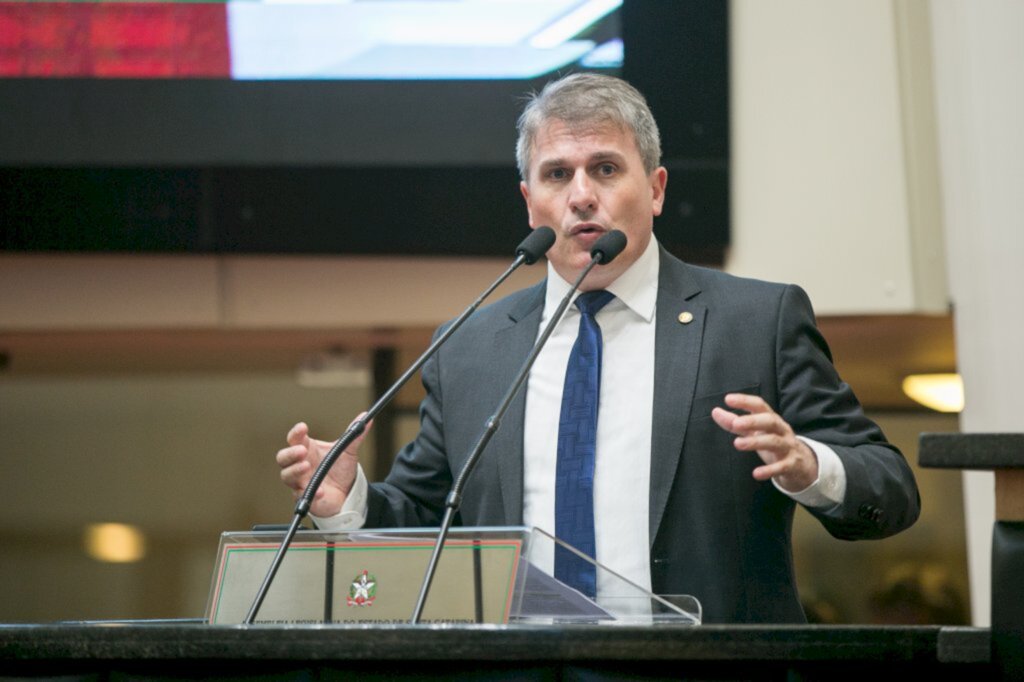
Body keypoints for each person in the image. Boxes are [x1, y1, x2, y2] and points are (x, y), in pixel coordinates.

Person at [276, 73, 920, 624]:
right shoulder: (470, 347)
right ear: (532, 204)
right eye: (558, 174)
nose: (582, 194)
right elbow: (424, 515)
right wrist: (350, 499)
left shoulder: (756, 321)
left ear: (658, 188)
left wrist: (809, 464)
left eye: (606, 169)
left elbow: (889, 489)